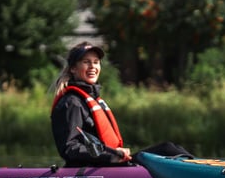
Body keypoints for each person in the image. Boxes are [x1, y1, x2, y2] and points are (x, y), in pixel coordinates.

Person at [51, 41, 193, 167]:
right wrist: (110, 155)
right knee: (167, 149)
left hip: (107, 164)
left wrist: (112, 155)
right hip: (93, 168)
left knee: (169, 149)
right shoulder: (71, 103)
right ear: (73, 68)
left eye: (96, 62)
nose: (92, 66)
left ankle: (206, 170)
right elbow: (70, 148)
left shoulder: (92, 100)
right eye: (86, 62)